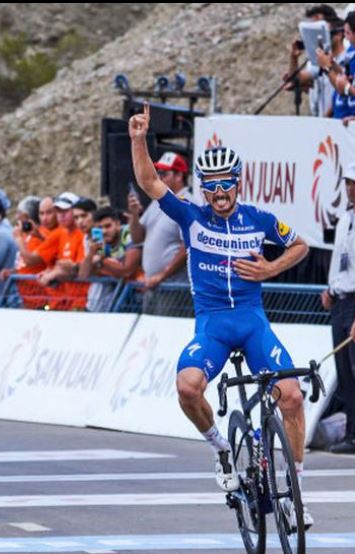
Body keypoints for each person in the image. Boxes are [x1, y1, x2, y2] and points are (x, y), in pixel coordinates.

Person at [130, 104, 313, 527]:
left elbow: (300, 245)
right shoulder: (192, 216)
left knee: (292, 397)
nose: (218, 191)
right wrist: (139, 138)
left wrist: (269, 268)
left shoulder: (259, 219)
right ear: (204, 187)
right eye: (210, 185)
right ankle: (221, 449)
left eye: (225, 183)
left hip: (252, 322)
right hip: (212, 323)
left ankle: (295, 493)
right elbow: (149, 181)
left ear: (237, 181)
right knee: (188, 388)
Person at [127, 152, 191, 315]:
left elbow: (188, 246)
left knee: (168, 335)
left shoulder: (188, 201)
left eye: (164, 173)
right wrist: (134, 215)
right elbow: (137, 238)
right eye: (158, 173)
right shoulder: (158, 200)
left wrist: (161, 276)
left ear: (179, 176)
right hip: (153, 284)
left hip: (173, 287)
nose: (159, 177)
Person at [322, 162, 355, 455]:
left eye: (352, 183)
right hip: (341, 299)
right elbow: (341, 258)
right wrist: (331, 286)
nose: (348, 188)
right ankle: (351, 432)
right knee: (344, 369)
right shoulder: (346, 217)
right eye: (347, 182)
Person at [78, 206, 141, 312]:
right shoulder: (99, 241)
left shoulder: (127, 233)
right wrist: (91, 254)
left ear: (117, 224)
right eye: (100, 228)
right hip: (119, 296)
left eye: (108, 226)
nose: (104, 231)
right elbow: (83, 275)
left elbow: (127, 271)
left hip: (138, 295)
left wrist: (101, 262)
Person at [37, 193, 88, 311]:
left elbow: (77, 269)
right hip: (67, 301)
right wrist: (51, 271)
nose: (61, 215)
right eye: (58, 211)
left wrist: (54, 273)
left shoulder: (82, 235)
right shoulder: (61, 233)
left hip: (82, 301)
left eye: (65, 211)